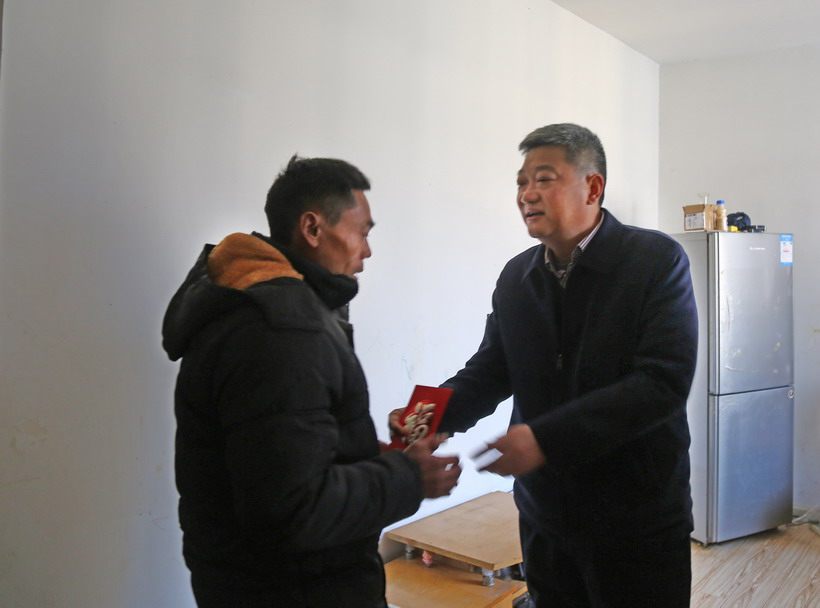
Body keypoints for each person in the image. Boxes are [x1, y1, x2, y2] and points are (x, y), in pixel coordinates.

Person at [399, 124, 698, 607]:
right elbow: (491, 369)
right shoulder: (517, 277)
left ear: (593, 187)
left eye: (544, 179)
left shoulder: (655, 261)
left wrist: (543, 440)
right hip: (545, 516)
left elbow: (662, 383)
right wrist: (428, 416)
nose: (527, 194)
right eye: (521, 182)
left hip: (636, 518)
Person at [162, 155, 461, 608]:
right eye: (363, 232)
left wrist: (366, 455)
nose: (367, 250)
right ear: (313, 228)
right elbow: (292, 510)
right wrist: (407, 478)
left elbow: (274, 456)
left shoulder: (252, 303)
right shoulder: (281, 330)